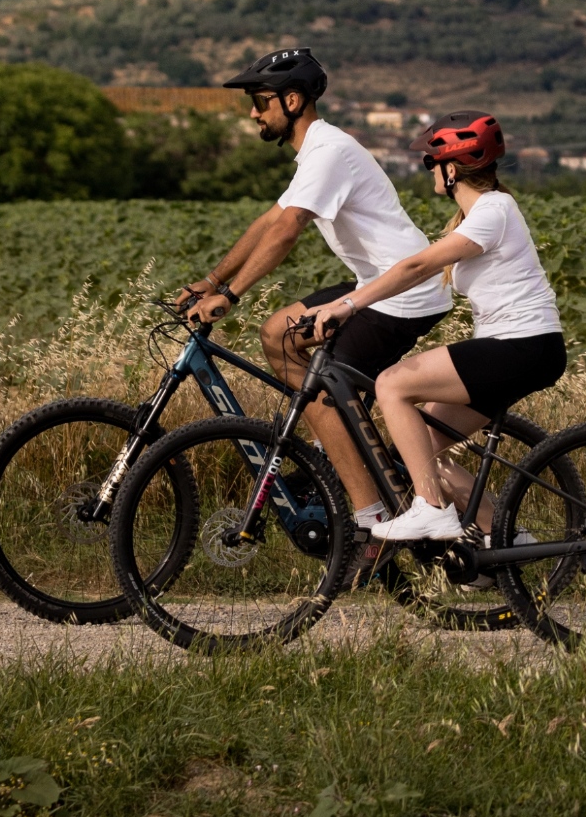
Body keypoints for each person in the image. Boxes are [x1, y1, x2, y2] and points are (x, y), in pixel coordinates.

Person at [178, 47, 450, 536]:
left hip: (404, 293)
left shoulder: (329, 152)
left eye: (261, 102)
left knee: (319, 386)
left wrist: (231, 295)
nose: (253, 114)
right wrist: (212, 282)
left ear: (293, 100)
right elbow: (271, 220)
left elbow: (288, 230)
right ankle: (338, 445)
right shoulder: (318, 152)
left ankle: (368, 519)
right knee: (277, 335)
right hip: (379, 283)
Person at [315, 109, 566, 544]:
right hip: (516, 347)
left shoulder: (494, 209)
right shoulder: (477, 216)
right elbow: (413, 274)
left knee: (392, 384)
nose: (429, 169)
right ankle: (508, 543)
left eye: (432, 161)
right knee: (423, 452)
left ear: (453, 169)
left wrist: (349, 305)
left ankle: (431, 510)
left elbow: (416, 267)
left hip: (523, 346)